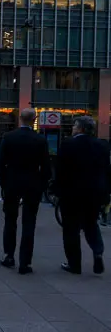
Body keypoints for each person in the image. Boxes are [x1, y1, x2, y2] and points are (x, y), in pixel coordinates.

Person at [0, 108, 51, 274]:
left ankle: (9, 256)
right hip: (32, 183)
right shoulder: (40, 140)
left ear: (20, 119)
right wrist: (41, 185)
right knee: (29, 222)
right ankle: (25, 262)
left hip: (13, 182)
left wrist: (5, 183)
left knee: (10, 220)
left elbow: (0, 164)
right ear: (34, 119)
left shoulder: (9, 137)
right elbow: (46, 167)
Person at [54, 116, 109, 275]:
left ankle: (74, 264)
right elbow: (107, 171)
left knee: (71, 229)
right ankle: (98, 251)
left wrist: (58, 191)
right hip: (94, 193)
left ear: (81, 129)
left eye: (75, 126)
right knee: (91, 224)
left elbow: (61, 171)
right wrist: (106, 193)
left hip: (72, 194)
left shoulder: (68, 144)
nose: (72, 128)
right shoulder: (102, 145)